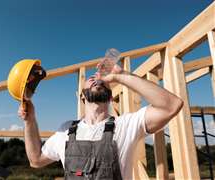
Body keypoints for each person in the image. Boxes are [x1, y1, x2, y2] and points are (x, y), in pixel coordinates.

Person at [18, 58, 183, 180]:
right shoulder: (66, 130)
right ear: (82, 97)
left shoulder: (125, 125)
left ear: (110, 97)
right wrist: (30, 120)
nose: (97, 81)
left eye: (103, 82)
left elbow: (171, 106)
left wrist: (121, 76)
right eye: (90, 80)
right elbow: (36, 159)